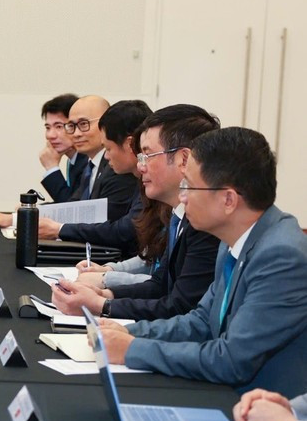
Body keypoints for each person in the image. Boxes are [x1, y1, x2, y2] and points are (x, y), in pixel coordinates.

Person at [95, 127, 307, 397]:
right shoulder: (234, 237)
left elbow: (231, 360)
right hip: (223, 394)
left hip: (260, 415)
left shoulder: (281, 256)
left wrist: (132, 349)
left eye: (188, 186)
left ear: (228, 199)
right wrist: (132, 332)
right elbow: (201, 321)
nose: (181, 198)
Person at [53, 105, 221, 320]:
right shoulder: (179, 215)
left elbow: (179, 306)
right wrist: (105, 295)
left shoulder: (206, 224)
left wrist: (103, 304)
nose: (141, 167)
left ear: (184, 160)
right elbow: (159, 285)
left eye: (147, 156)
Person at [38, 100, 150, 257]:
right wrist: (28, 215)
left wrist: (59, 229)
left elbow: (122, 230)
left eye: (84, 124)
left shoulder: (120, 172)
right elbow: (76, 206)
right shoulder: (91, 165)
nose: (76, 133)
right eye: (71, 126)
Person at [38, 93, 88, 203]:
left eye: (59, 126)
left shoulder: (88, 161)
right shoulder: (74, 160)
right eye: (48, 127)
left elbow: (73, 210)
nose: (50, 135)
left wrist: (52, 168)